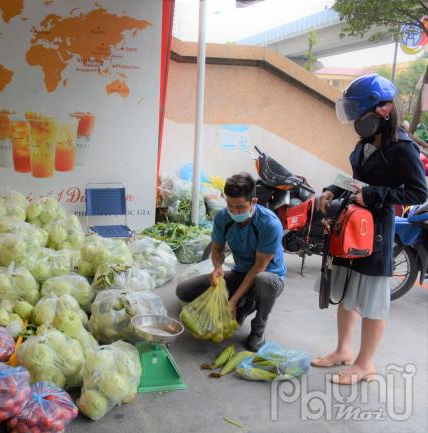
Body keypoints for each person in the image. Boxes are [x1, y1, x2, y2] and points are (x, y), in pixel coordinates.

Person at [313, 74, 428, 385]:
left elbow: (419, 193)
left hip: (376, 233)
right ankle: (343, 351)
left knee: (373, 300)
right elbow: (355, 181)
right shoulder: (365, 144)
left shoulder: (403, 149)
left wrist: (376, 195)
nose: (356, 122)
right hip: (351, 228)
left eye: (359, 115)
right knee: (348, 291)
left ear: (383, 110)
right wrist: (330, 191)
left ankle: (365, 364)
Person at [176, 172, 286, 352]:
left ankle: (258, 328)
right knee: (184, 291)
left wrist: (232, 301)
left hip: (269, 277)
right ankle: (246, 302)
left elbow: (259, 267)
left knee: (263, 282)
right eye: (230, 206)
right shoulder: (223, 218)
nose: (234, 212)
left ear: (254, 202)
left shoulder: (269, 224)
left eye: (241, 208)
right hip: (239, 273)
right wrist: (217, 268)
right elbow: (217, 249)